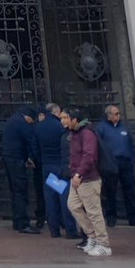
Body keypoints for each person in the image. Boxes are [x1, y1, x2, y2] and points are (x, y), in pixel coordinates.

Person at [61, 106, 112, 257]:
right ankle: (92, 236)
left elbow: (89, 156)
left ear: (74, 119)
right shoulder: (74, 133)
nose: (62, 121)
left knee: (94, 212)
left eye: (65, 118)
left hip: (87, 178)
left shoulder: (87, 133)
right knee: (73, 205)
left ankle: (104, 244)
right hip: (77, 178)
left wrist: (79, 174)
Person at [96, 104, 135, 227]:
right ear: (109, 115)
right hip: (110, 164)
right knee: (110, 191)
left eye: (118, 113)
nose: (118, 115)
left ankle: (133, 217)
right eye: (116, 113)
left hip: (125, 163)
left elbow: (131, 146)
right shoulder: (101, 128)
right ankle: (111, 217)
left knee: (129, 191)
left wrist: (131, 160)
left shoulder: (125, 128)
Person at [36, 102, 79, 238]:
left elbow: (34, 148)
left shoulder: (39, 127)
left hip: (47, 167)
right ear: (57, 112)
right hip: (60, 166)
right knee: (65, 198)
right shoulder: (60, 127)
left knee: (51, 198)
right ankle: (70, 230)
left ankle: (54, 230)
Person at [2, 105, 41, 233]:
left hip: (9, 159)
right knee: (21, 191)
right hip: (16, 160)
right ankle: (23, 223)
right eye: (32, 121)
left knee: (14, 191)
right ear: (28, 117)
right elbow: (31, 141)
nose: (32, 123)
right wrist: (34, 158)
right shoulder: (22, 123)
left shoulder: (12, 120)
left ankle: (17, 221)